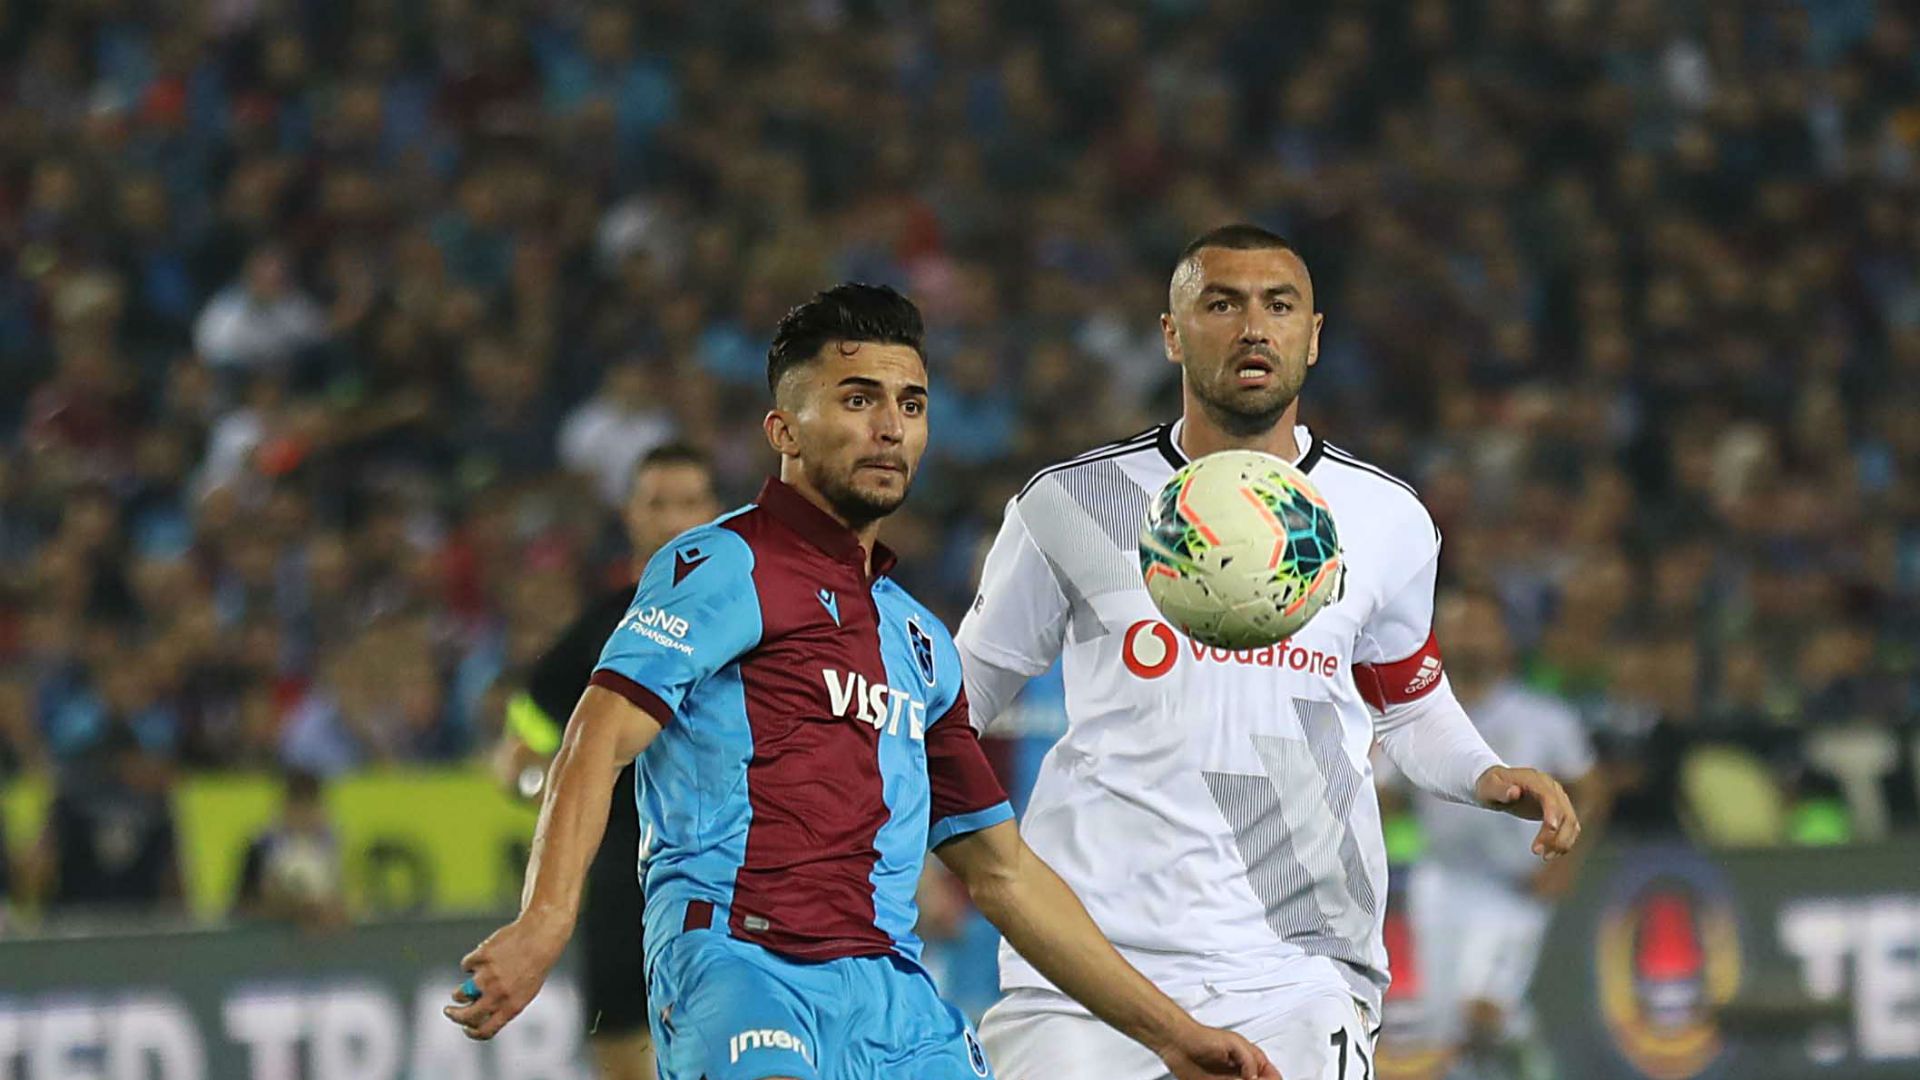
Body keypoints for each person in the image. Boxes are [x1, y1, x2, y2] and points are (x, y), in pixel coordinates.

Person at [445, 283, 1278, 1080]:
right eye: (857, 399)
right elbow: (595, 735)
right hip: (741, 966)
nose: (889, 428)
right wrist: (544, 920)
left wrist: (1175, 1036)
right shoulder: (724, 566)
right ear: (785, 429)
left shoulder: (919, 641)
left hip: (891, 996)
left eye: (910, 405)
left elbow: (1002, 873)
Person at [954, 225, 1582, 1080]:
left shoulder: (1387, 517)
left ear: (1313, 336)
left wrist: (1484, 774)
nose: (1254, 327)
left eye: (1278, 306)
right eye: (1222, 304)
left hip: (1299, 963)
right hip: (1089, 965)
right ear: (1172, 333)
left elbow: (1406, 699)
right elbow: (957, 702)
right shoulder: (1070, 502)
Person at [489, 442, 721, 1080]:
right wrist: (548, 786)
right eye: (657, 503)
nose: (674, 518)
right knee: (625, 1055)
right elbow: (518, 757)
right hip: (627, 881)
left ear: (715, 511)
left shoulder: (760, 618)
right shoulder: (596, 635)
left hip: (739, 877)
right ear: (630, 515)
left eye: (688, 502)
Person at [1389, 589, 1605, 1080]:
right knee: (1448, 1028)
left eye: (1481, 625)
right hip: (1441, 881)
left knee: (1482, 1010)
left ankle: (1535, 1064)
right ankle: (1520, 1056)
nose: (1470, 637)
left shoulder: (1541, 716)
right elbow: (1384, 790)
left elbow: (1592, 788)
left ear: (1505, 637)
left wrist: (1567, 861)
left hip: (1513, 884)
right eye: (1458, 625)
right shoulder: (1419, 716)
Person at [233, 768, 346, 930]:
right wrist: (300, 907)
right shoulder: (261, 846)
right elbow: (246, 907)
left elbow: (338, 900)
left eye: (312, 806)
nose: (307, 815)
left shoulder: (329, 842)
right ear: (286, 807)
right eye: (299, 806)